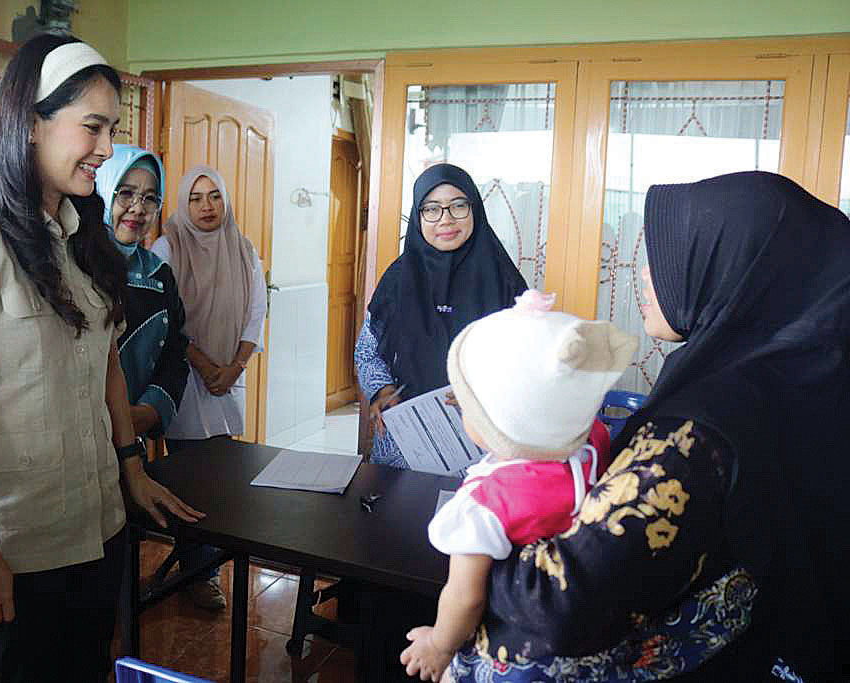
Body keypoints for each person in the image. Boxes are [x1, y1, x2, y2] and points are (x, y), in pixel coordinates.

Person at [445, 171, 849, 682]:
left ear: (732, 269)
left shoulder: (695, 432)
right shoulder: (795, 385)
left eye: (666, 257)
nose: (642, 275)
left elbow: (563, 603)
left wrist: (474, 547)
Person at [0, 34, 203, 682]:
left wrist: (131, 469)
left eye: (112, 129)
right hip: (13, 547)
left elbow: (107, 365)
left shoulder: (82, 237)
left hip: (94, 528)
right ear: (31, 123)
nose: (106, 148)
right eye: (92, 127)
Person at [400, 290, 636, 681]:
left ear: (500, 419)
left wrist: (439, 644)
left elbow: (465, 597)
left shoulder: (482, 507)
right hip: (583, 647)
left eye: (469, 404)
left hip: (514, 659)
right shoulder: (592, 441)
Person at [355, 163, 528, 468]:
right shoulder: (398, 279)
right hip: (404, 442)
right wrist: (382, 391)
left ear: (474, 209)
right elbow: (368, 353)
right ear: (418, 217)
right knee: (396, 500)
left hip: (481, 441)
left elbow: (529, 362)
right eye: (432, 209)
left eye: (458, 206)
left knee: (471, 500)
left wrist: (484, 395)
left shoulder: (504, 281)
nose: (446, 219)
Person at [152, 165, 267, 610]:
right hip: (183, 380)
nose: (206, 206)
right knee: (187, 480)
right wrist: (202, 364)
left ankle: (205, 569)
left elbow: (256, 311)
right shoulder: (167, 247)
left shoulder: (243, 248)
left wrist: (234, 367)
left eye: (214, 196)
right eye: (196, 198)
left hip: (226, 380)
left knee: (220, 479)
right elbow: (165, 317)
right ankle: (197, 573)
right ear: (184, 203)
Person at [94, 144, 188, 442]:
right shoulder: (74, 264)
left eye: (150, 198)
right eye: (125, 193)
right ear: (102, 190)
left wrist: (150, 411)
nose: (138, 208)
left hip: (133, 440)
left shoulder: (158, 274)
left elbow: (175, 352)